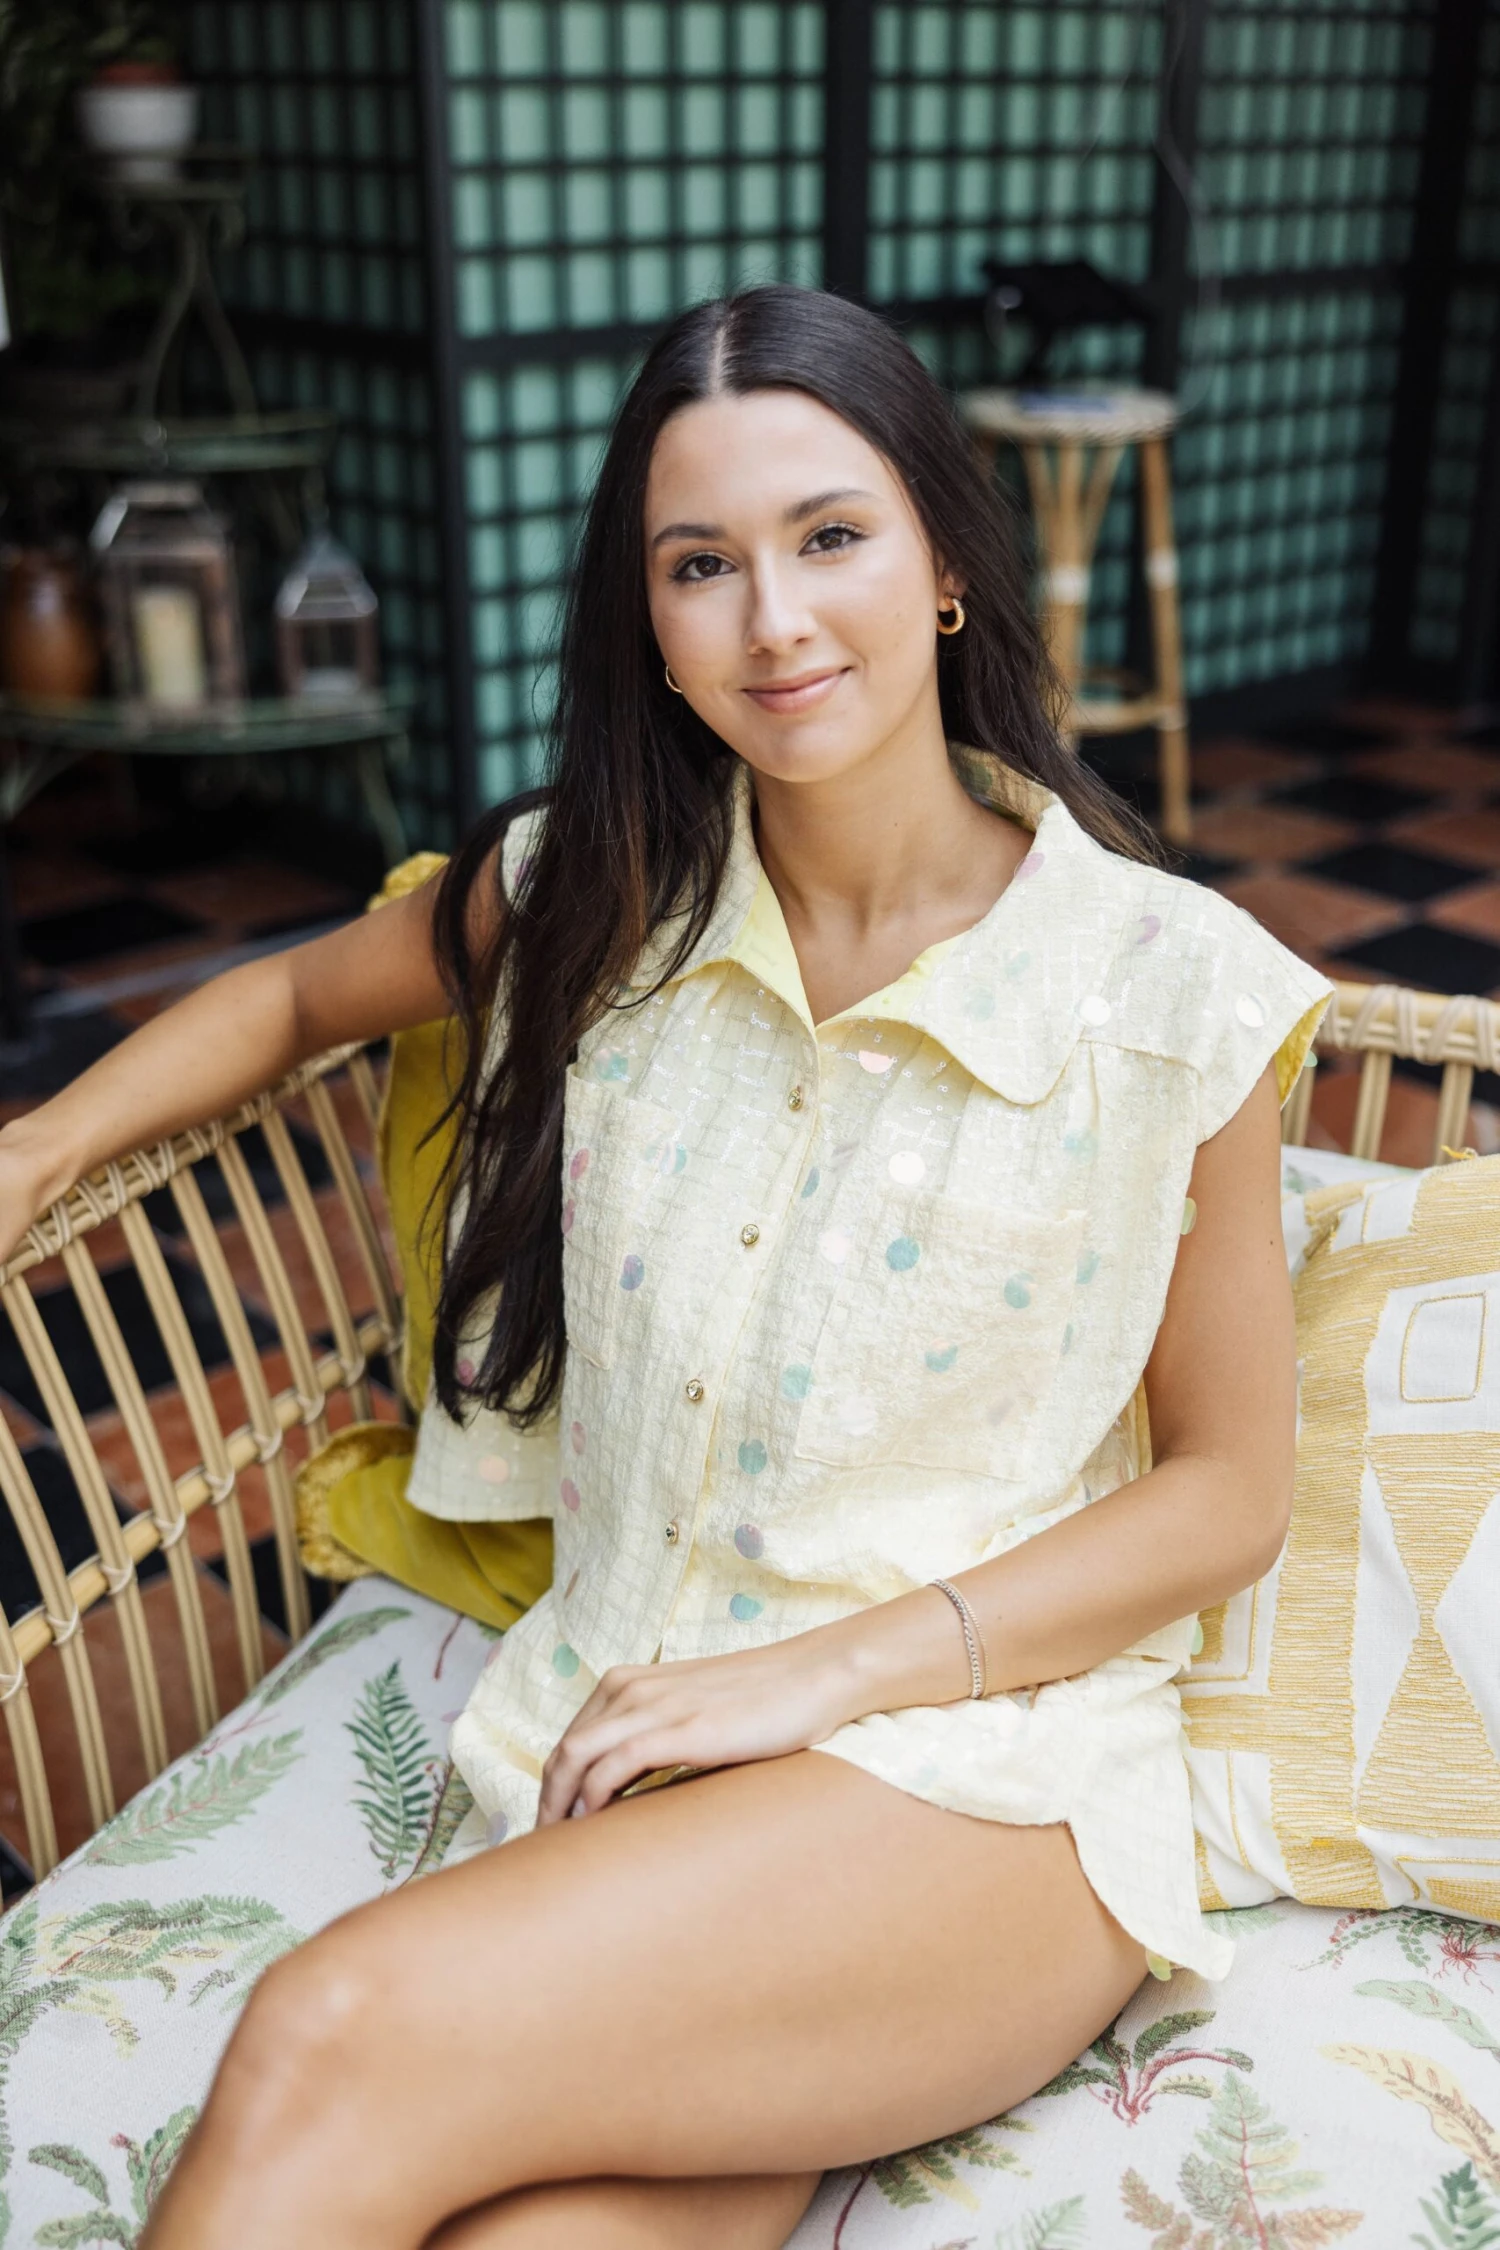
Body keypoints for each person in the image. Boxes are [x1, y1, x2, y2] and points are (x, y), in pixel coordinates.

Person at [0, 285, 1329, 2250]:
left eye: (830, 537)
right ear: (648, 615)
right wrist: (32, 1144)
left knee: (320, 2035)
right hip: (618, 1748)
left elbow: (1233, 1494)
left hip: (975, 1783)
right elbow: (293, 994)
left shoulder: (1165, 993)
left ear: (948, 565)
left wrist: (812, 1677)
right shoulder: (596, 897)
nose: (775, 623)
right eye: (700, 564)